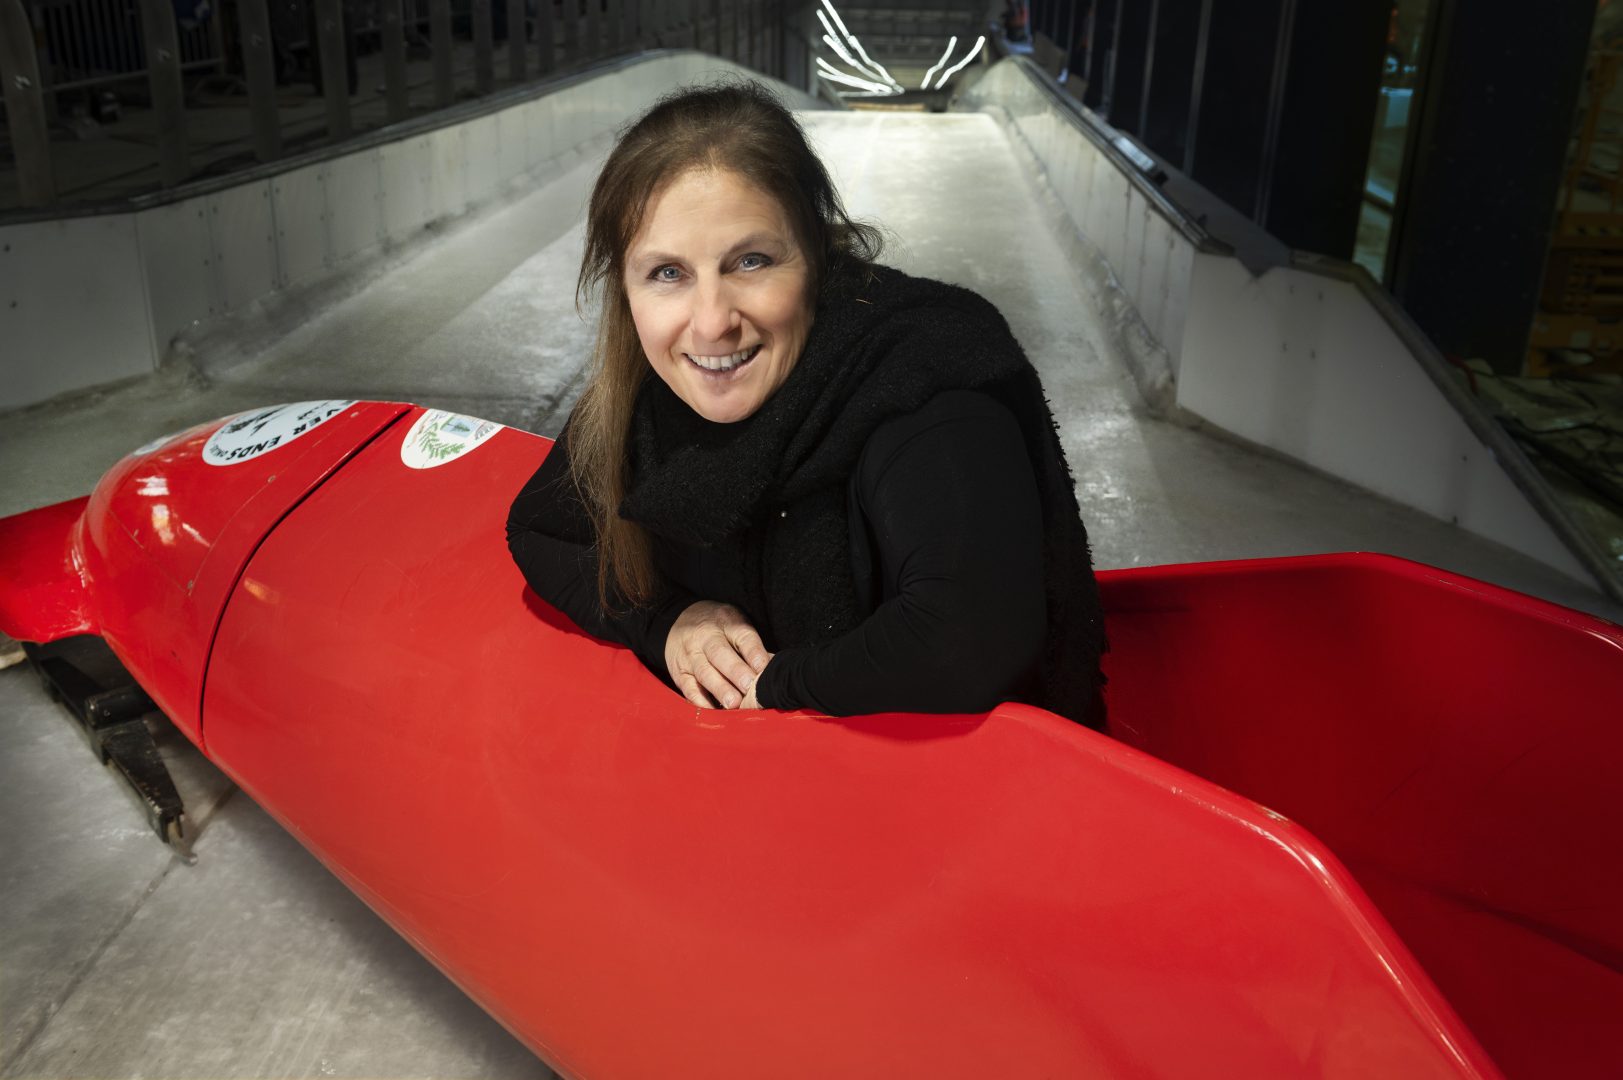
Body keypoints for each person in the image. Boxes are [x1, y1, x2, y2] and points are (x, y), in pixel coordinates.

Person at [506, 80, 1106, 726]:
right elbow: (538, 528)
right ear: (625, 289)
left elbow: (965, 634)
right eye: (667, 274)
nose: (711, 324)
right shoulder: (644, 394)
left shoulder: (921, 374)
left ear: (816, 256)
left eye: (751, 261)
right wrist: (671, 623)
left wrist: (771, 687)